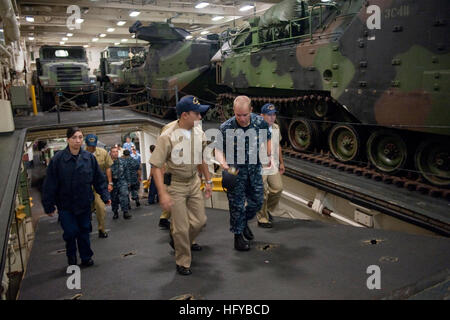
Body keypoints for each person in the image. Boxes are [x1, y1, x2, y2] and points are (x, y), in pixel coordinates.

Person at [150, 95, 212, 275]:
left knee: (200, 221)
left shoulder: (199, 132)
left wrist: (208, 181)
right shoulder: (167, 136)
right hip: (175, 185)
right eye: (197, 114)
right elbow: (155, 167)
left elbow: (201, 159)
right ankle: (183, 260)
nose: (200, 117)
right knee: (181, 227)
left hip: (193, 182)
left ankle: (178, 239)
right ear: (185, 115)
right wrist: (162, 194)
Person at [42, 127, 111, 267]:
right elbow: (50, 184)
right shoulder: (58, 160)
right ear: (68, 139)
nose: (77, 140)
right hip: (66, 205)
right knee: (70, 232)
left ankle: (86, 257)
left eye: (80, 137)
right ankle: (71, 256)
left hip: (84, 203)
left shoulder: (89, 159)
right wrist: (48, 205)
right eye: (74, 137)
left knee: (84, 231)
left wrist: (104, 195)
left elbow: (98, 179)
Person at [215, 95, 272, 251]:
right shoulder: (226, 127)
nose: (241, 118)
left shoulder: (260, 122)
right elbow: (218, 150)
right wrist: (224, 164)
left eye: (245, 115)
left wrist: (268, 153)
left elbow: (268, 137)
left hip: (254, 170)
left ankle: (243, 222)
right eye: (238, 115)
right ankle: (238, 237)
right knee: (237, 206)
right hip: (235, 171)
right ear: (233, 111)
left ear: (251, 110)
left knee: (258, 202)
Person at [256, 103, 285, 228]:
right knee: (261, 192)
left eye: (274, 115)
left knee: (277, 188)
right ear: (262, 116)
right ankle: (262, 218)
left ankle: (266, 209)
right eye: (269, 115)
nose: (272, 117)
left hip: (272, 164)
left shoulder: (276, 128)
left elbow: (278, 145)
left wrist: (282, 162)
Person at [85, 134, 114, 238]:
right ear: (86, 144)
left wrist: (110, 183)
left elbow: (107, 168)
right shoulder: (80, 154)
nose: (91, 147)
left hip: (98, 185)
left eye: (93, 145)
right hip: (85, 187)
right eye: (89, 145)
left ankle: (101, 229)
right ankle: (87, 225)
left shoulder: (103, 153)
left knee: (101, 207)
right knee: (86, 208)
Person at [109, 146, 131, 219]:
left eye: (116, 152)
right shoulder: (108, 162)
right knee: (114, 198)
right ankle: (115, 212)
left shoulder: (122, 161)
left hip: (122, 181)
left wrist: (128, 182)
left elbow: (127, 171)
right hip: (113, 183)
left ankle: (125, 212)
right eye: (113, 152)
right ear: (110, 153)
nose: (115, 153)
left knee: (124, 196)